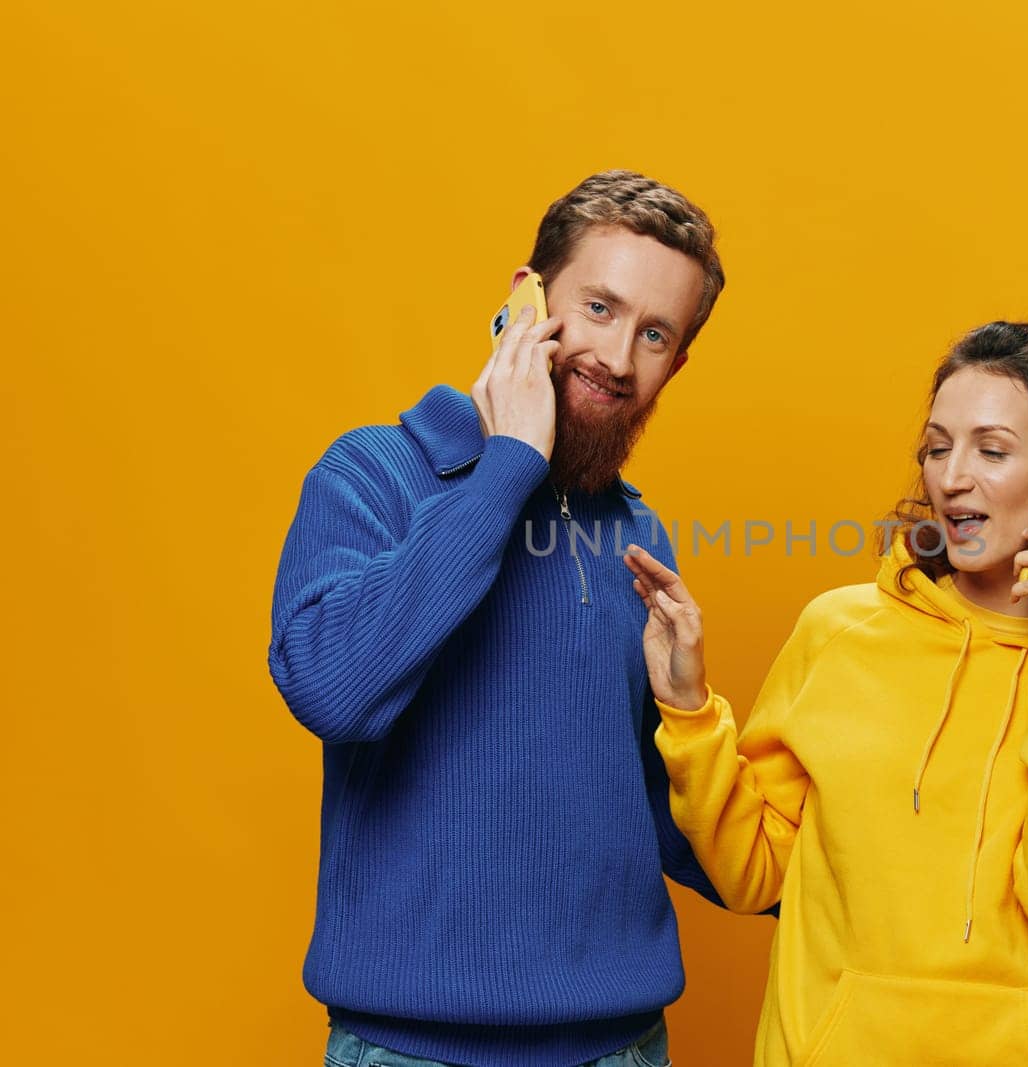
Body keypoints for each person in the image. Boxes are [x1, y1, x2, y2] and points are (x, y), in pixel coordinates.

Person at [625, 321, 1028, 1066]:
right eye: (937, 448)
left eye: (991, 450)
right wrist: (689, 709)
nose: (950, 478)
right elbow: (751, 873)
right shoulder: (841, 632)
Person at [268, 169, 725, 1067]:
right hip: (411, 1050)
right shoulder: (373, 475)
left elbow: (653, 817)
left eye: (656, 334)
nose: (620, 358)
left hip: (619, 1048)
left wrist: (870, 856)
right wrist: (508, 463)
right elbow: (330, 688)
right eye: (599, 307)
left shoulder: (637, 532)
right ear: (526, 298)